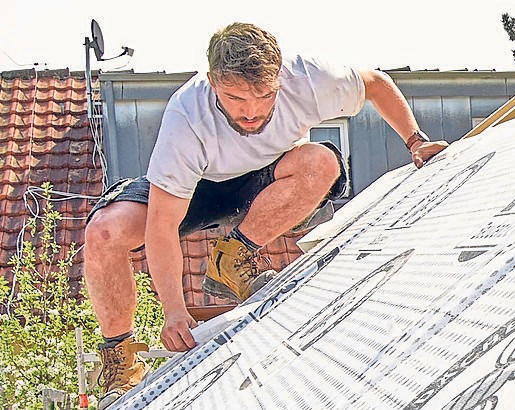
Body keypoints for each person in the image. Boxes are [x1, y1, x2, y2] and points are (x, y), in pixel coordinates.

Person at [83, 22, 448, 408]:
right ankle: (119, 357)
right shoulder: (186, 114)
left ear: (280, 77)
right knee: (104, 232)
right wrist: (175, 309)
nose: (252, 112)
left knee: (321, 163)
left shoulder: (310, 78)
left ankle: (233, 256)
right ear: (211, 82)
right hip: (198, 188)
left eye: (263, 95)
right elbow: (161, 224)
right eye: (236, 98)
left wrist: (415, 142)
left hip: (265, 177)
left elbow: (375, 84)